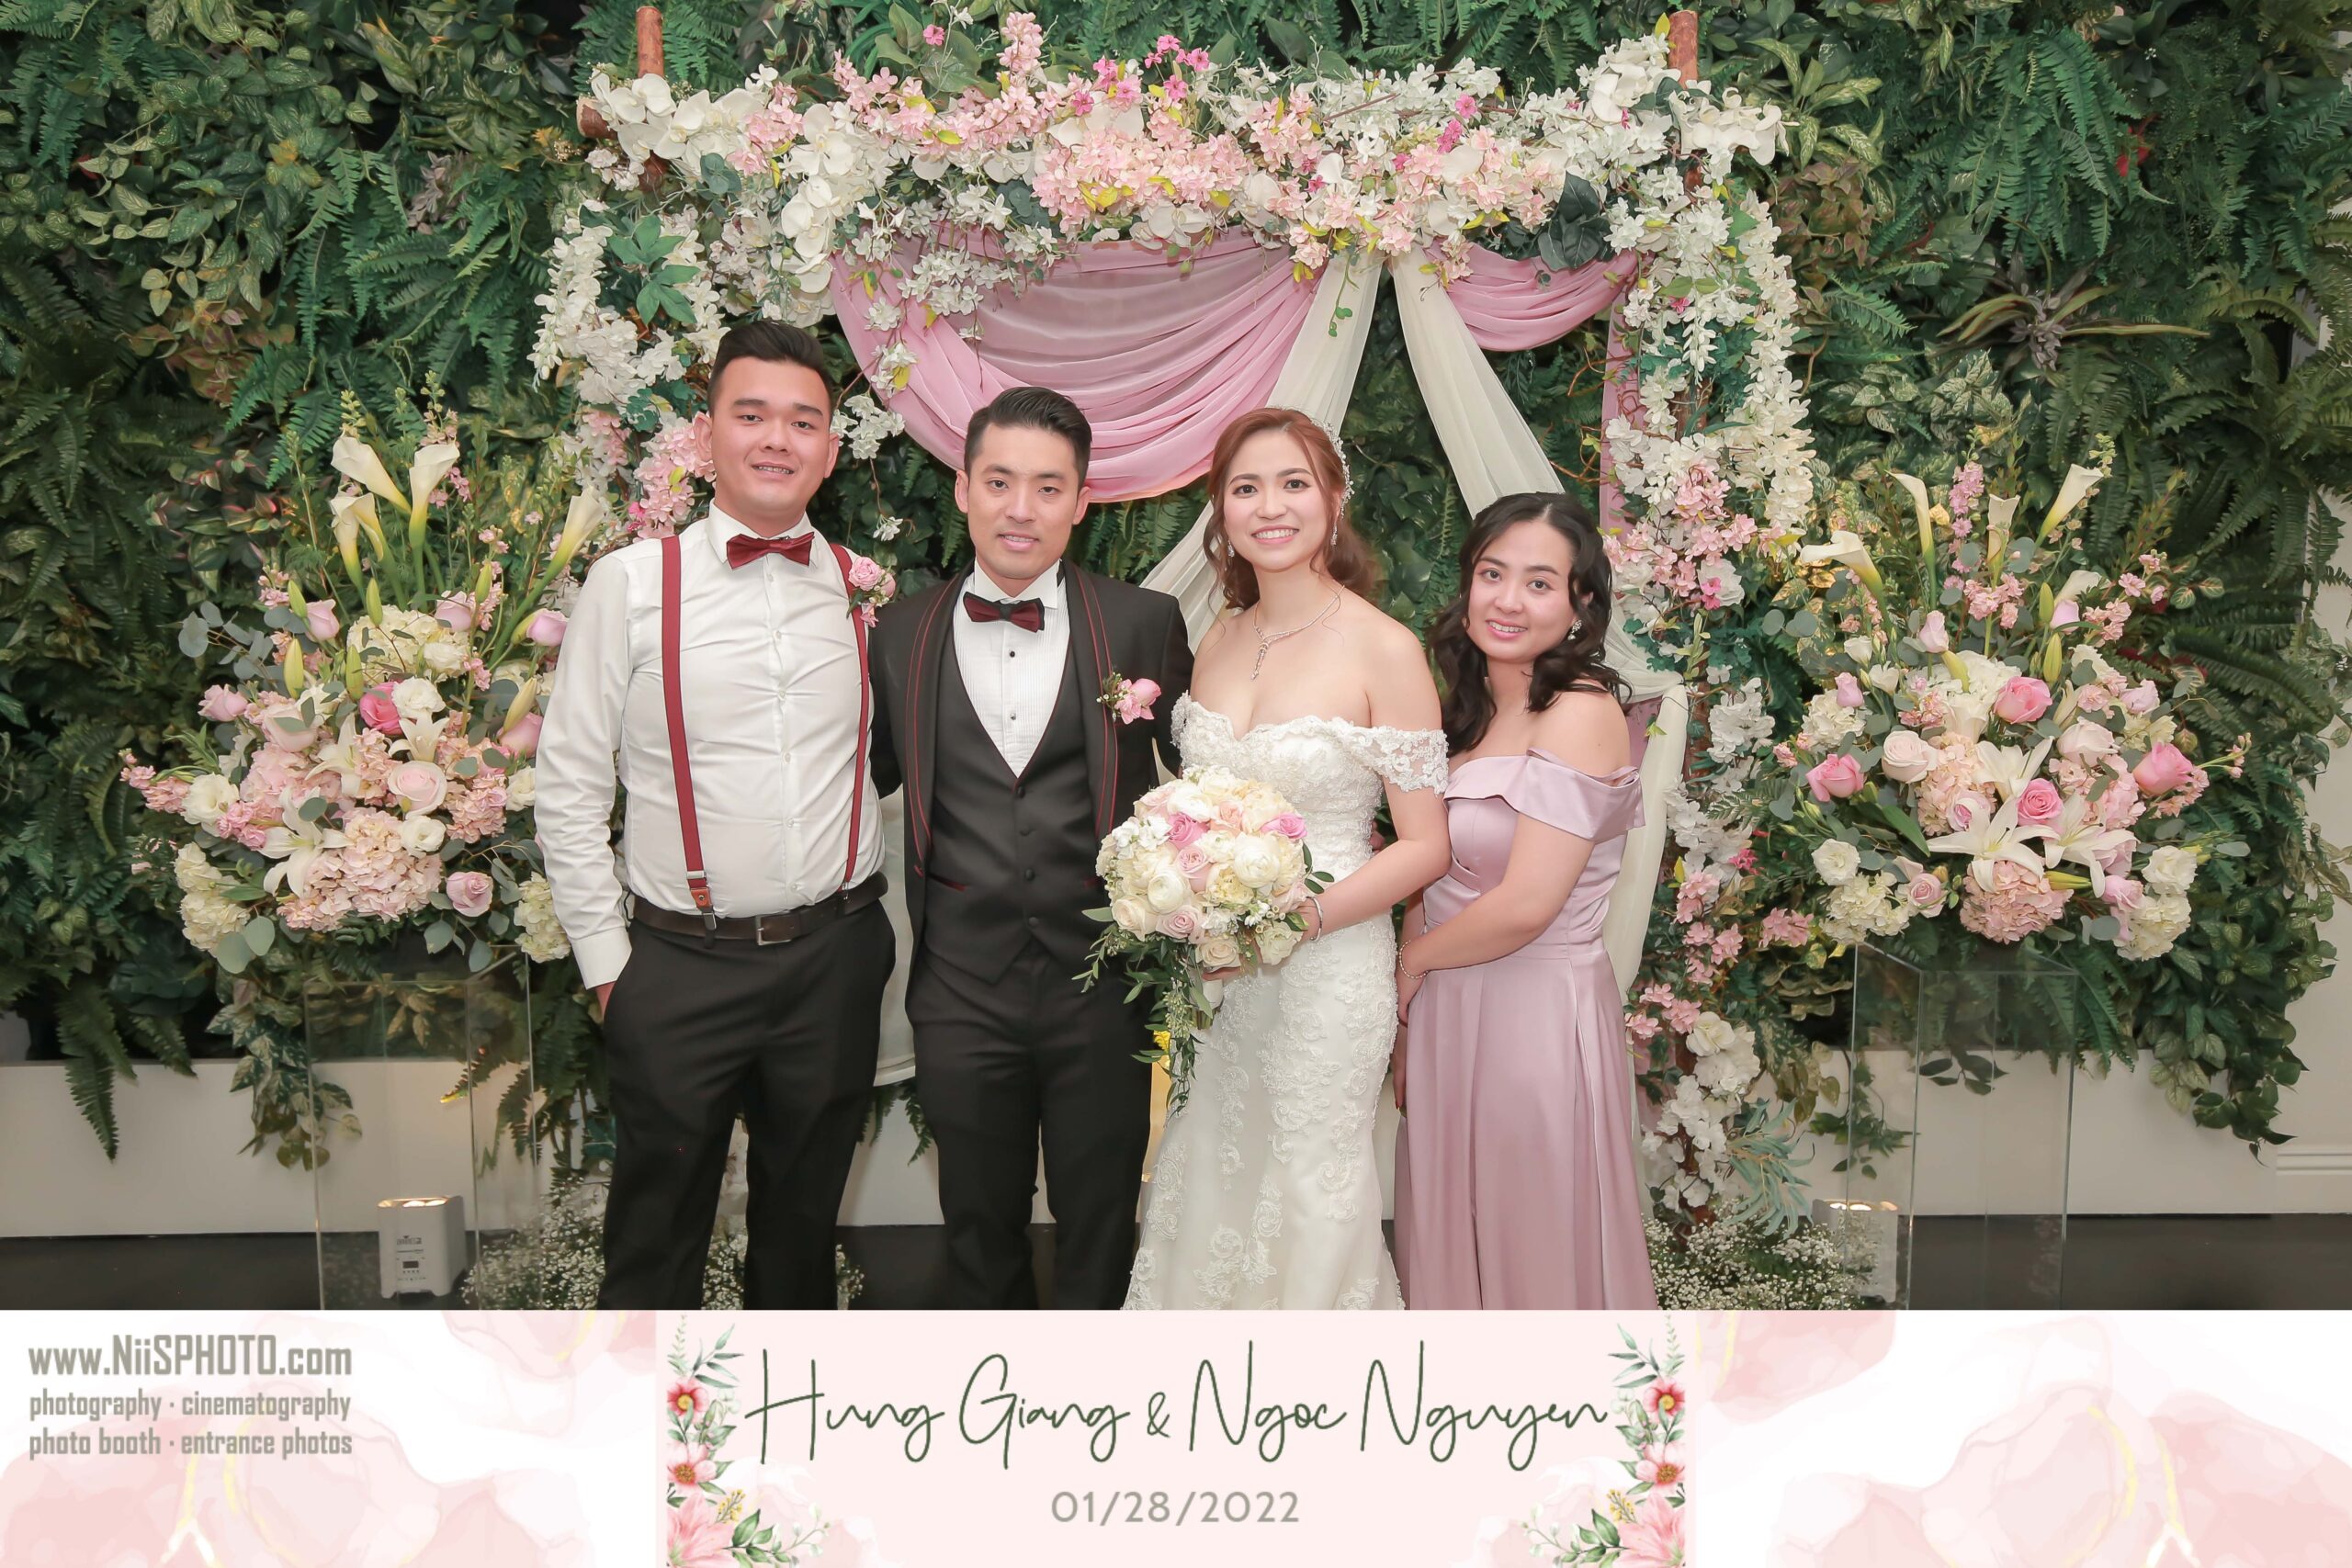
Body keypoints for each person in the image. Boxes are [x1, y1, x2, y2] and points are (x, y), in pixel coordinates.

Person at [537, 321, 892, 1309]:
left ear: (831, 448)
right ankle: (644, 1412)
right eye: (752, 415)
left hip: (835, 957)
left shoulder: (862, 588)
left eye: (803, 421)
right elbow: (567, 783)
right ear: (706, 435)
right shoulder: (629, 584)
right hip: (678, 966)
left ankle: (787, 1409)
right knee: (653, 1248)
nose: (777, 439)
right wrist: (609, 968)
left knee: (801, 1244)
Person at [866, 386, 1193, 1309]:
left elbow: (1205, 782)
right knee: (977, 1223)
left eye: (1048, 487)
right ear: (962, 488)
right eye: (999, 481)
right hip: (959, 986)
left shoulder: (1143, 623)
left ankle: (1097, 1389)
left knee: (1102, 1221)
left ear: (1082, 501)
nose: (1021, 508)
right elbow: (866, 777)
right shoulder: (897, 633)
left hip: (1101, 981)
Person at [1125, 406, 1451, 1311]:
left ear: (1334, 499)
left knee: (1310, 1174)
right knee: (1213, 1160)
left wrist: (1297, 919)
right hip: (1222, 974)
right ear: (1222, 511)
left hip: (1329, 963)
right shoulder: (1221, 637)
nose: (1270, 506)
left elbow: (1426, 844)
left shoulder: (1385, 648)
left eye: (1293, 483)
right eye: (1246, 488)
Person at [1391, 492, 1658, 1310]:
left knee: (1531, 1235)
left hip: (1534, 1014)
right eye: (1491, 574)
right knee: (1450, 1227)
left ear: (1581, 604)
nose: (1507, 600)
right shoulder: (1467, 709)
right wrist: (1406, 1016)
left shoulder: (1582, 711)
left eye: (1539, 583)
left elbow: (1528, 903)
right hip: (1447, 1005)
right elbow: (1429, 867)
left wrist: (1410, 964)